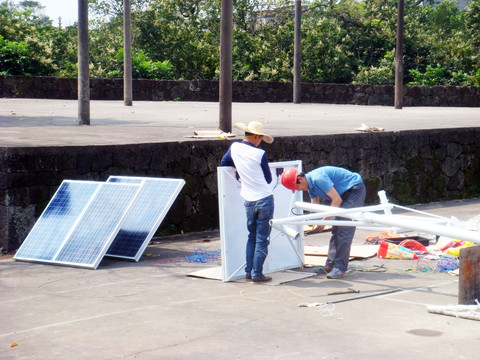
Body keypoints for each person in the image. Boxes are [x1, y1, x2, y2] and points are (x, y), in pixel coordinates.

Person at [280, 166, 366, 279]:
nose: (298, 190)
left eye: (297, 187)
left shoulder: (318, 179)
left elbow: (337, 200)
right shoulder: (309, 184)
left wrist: (323, 221)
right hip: (342, 193)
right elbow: (314, 203)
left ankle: (340, 268)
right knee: (336, 229)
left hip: (353, 190)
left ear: (300, 179)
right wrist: (313, 219)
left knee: (344, 228)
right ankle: (330, 265)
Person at [221, 121, 275, 283]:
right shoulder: (260, 154)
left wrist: (240, 172)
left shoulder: (235, 148)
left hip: (248, 200)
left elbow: (225, 163)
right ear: (257, 137)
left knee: (251, 237)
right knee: (262, 239)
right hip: (264, 199)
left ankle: (248, 272)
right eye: (261, 139)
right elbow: (268, 178)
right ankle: (257, 273)